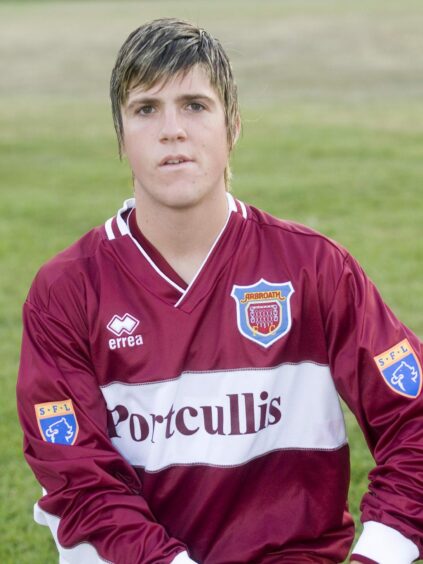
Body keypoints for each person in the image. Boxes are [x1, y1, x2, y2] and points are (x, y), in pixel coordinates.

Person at [17, 17, 422, 564]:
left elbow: (413, 419)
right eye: (145, 109)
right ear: (121, 136)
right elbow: (78, 477)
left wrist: (378, 555)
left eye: (194, 105)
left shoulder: (314, 269)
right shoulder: (67, 290)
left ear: (232, 126)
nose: (171, 130)